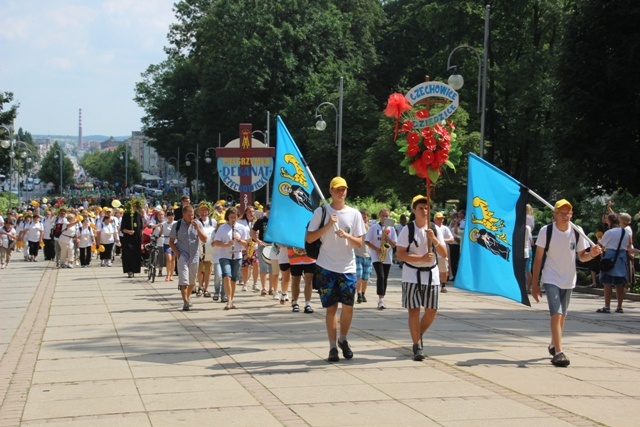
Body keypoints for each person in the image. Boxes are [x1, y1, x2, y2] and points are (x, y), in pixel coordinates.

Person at [531, 199, 601, 367]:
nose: (566, 216)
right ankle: (560, 353)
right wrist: (534, 284)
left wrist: (592, 254)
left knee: (563, 315)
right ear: (554, 215)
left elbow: (582, 257)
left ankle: (554, 344)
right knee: (556, 313)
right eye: (562, 213)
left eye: (568, 213)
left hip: (569, 278)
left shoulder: (577, 231)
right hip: (551, 277)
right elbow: (538, 258)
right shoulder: (546, 231)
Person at [306, 177, 365, 362]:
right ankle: (332, 347)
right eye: (338, 189)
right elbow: (309, 238)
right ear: (330, 191)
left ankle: (343, 339)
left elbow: (359, 242)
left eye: (344, 189)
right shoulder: (321, 212)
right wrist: (329, 225)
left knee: (348, 307)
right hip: (326, 266)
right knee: (331, 308)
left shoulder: (354, 214)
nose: (341, 192)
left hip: (347, 267)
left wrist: (346, 234)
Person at [396, 196, 448, 361]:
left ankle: (417, 334)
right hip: (412, 274)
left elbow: (444, 253)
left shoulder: (434, 229)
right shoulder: (408, 229)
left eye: (427, 208)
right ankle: (417, 345)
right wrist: (420, 258)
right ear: (414, 210)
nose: (425, 211)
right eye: (421, 208)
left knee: (432, 310)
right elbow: (401, 254)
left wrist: (433, 239)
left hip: (431, 274)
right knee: (414, 310)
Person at [170, 205, 209, 311]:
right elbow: (171, 242)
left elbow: (205, 239)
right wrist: (178, 254)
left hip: (194, 256)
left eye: (192, 215)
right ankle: (185, 302)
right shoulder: (177, 225)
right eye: (188, 215)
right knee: (184, 280)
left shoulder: (197, 223)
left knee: (192, 281)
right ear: (183, 215)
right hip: (182, 255)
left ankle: (187, 296)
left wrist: (197, 228)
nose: (191, 217)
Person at [213, 207, 249, 310]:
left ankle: (231, 300)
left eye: (235, 217)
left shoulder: (241, 228)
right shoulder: (222, 228)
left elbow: (247, 244)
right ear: (227, 217)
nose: (233, 219)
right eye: (231, 217)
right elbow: (216, 242)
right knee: (226, 276)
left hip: (237, 255)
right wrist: (226, 244)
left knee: (233, 279)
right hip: (224, 255)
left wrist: (240, 240)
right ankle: (228, 301)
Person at [596, 213, 631, 313]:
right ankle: (619, 306)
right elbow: (628, 245)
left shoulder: (609, 232)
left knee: (607, 283)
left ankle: (607, 306)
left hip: (610, 257)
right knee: (619, 284)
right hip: (621, 258)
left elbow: (601, 245)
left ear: (610, 221)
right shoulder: (626, 232)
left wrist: (599, 239)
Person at [365, 208, 397, 310]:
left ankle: (383, 297)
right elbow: (367, 241)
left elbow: (394, 244)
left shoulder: (391, 228)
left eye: (387, 216)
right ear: (380, 216)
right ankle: (380, 299)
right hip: (376, 255)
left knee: (385, 278)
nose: (385, 218)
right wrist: (375, 249)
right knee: (381, 276)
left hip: (387, 254)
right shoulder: (374, 227)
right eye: (383, 216)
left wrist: (388, 239)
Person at [195, 203, 217, 297]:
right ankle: (200, 287)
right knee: (200, 270)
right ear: (199, 212)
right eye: (202, 210)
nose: (204, 212)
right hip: (199, 249)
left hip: (209, 250)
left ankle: (206, 289)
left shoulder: (213, 221)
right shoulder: (196, 222)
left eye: (205, 210)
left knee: (208, 270)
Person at [238, 205, 259, 292]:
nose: (251, 213)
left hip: (254, 246)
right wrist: (244, 242)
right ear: (246, 212)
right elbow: (238, 234)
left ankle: (255, 283)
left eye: (253, 212)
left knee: (256, 265)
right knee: (245, 267)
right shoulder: (240, 222)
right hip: (244, 246)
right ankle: (245, 284)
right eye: (249, 211)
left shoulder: (255, 222)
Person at [121, 199, 144, 278]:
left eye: (135, 207)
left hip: (137, 238)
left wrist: (142, 238)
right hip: (128, 238)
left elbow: (141, 227)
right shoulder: (126, 215)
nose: (134, 208)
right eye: (132, 206)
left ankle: (135, 269)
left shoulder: (138, 215)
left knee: (136, 254)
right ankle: (129, 270)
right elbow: (122, 228)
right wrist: (128, 231)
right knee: (128, 254)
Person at [288, 247, 315, 313]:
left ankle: (308, 304)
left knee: (309, 279)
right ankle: (295, 303)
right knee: (295, 280)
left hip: (309, 257)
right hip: (294, 257)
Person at [433, 211, 455, 292]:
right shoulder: (431, 227)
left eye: (442, 219)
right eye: (439, 219)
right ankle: (434, 284)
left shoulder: (445, 228)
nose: (441, 220)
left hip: (442, 251)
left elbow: (452, 239)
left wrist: (441, 240)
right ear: (435, 219)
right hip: (433, 251)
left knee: (444, 270)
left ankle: (443, 285)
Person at [355, 209, 372, 303]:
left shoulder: (369, 227)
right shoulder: (356, 227)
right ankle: (359, 294)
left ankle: (363, 293)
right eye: (362, 218)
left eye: (365, 217)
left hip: (368, 255)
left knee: (366, 278)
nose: (363, 219)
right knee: (359, 276)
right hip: (357, 254)